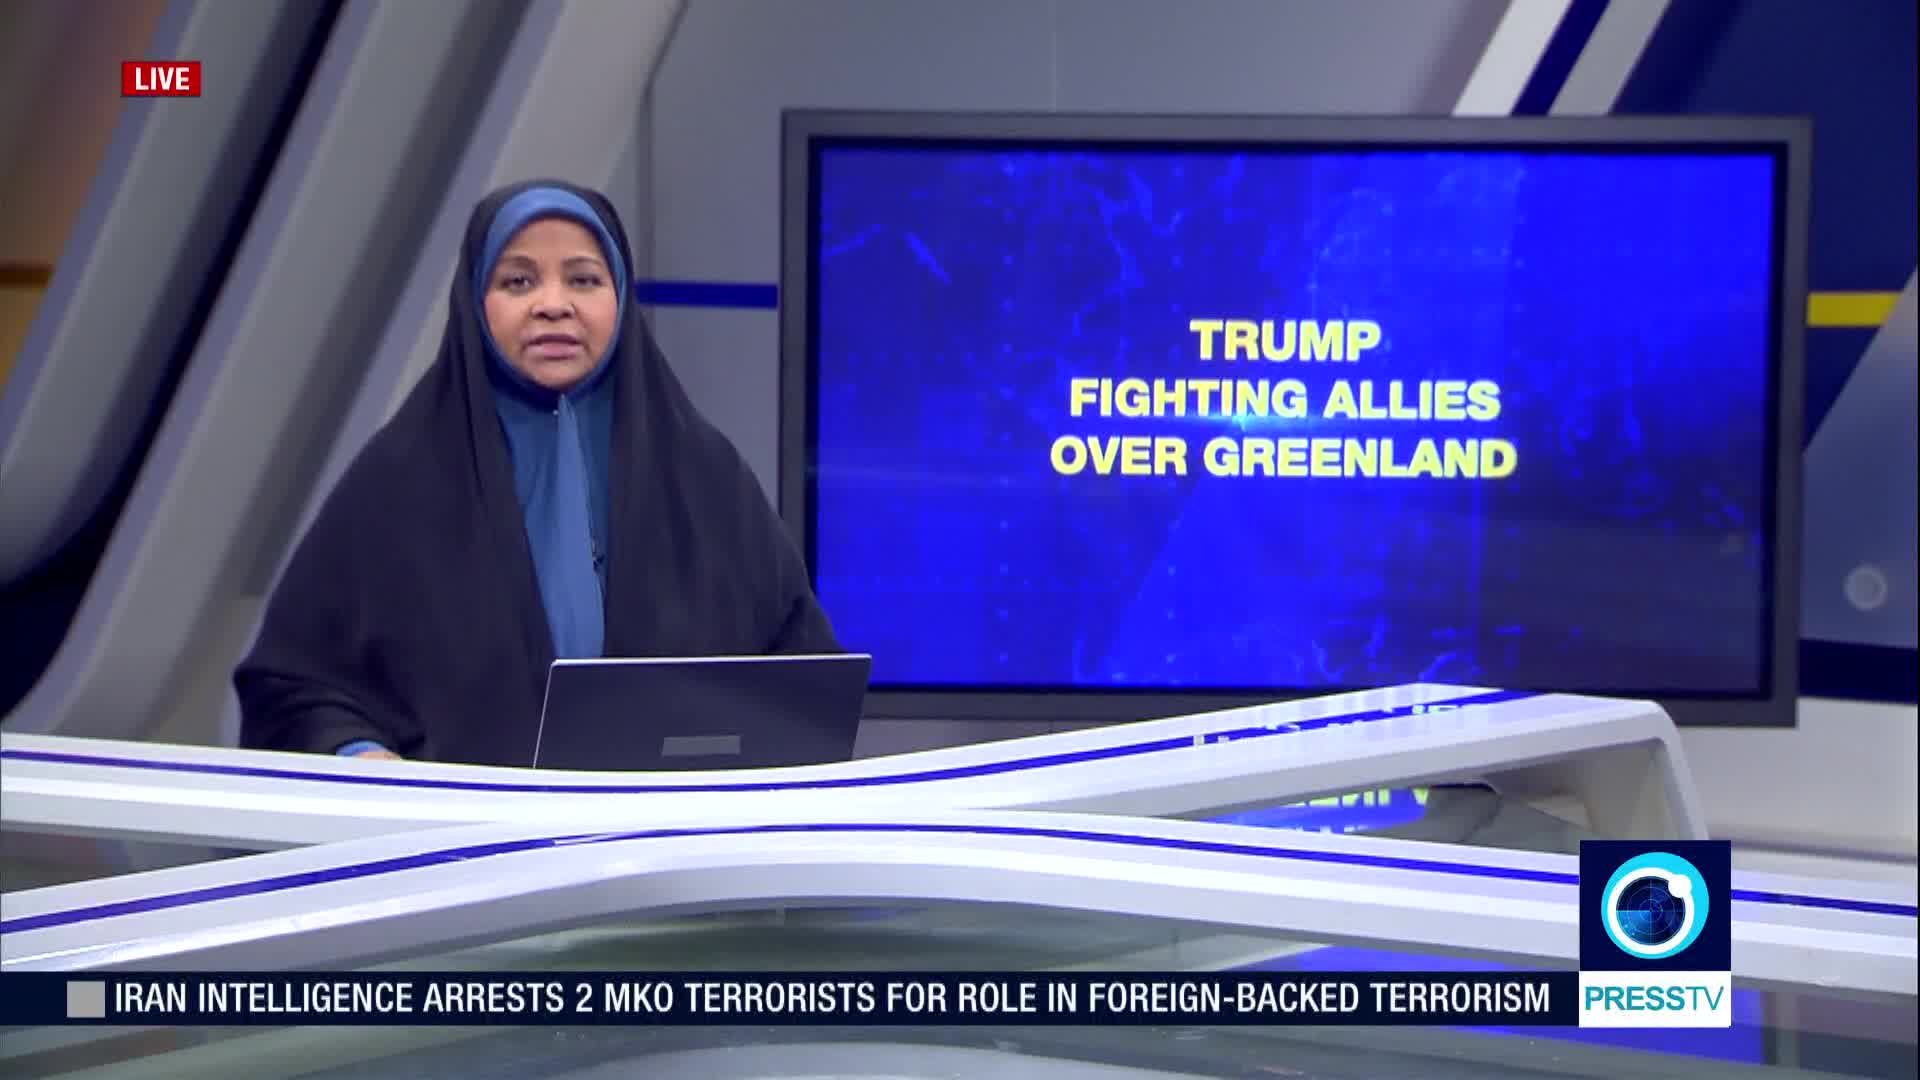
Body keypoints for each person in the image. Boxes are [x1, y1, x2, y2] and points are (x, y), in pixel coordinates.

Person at [235, 180, 839, 766]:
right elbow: (291, 686)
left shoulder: (705, 477)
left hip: (667, 829)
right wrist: (361, 756)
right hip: (460, 831)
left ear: (621, 296)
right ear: (476, 301)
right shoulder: (396, 482)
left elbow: (804, 679)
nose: (553, 304)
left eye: (583, 279)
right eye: (518, 281)